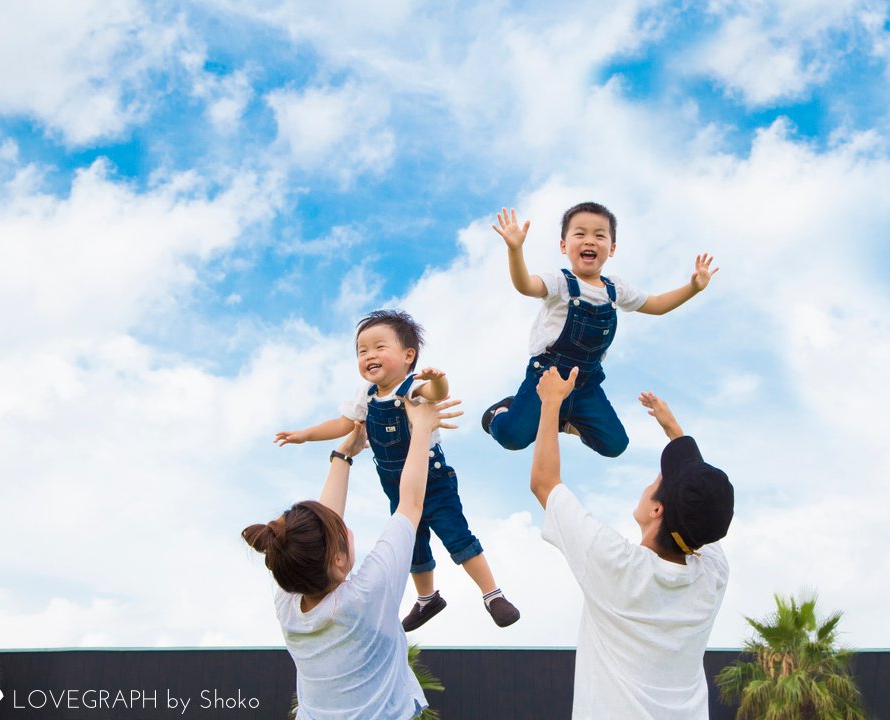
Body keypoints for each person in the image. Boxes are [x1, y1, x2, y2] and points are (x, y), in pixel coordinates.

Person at [274, 310, 520, 630]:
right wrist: (304, 435)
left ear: (408, 356)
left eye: (379, 347)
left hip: (432, 481)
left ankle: (492, 594)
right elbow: (343, 423)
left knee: (456, 536)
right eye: (362, 351)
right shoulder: (366, 396)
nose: (369, 355)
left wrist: (437, 379)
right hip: (396, 485)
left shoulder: (411, 386)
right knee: (410, 545)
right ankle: (427, 599)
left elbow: (437, 394)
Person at [530, 365, 733, 719]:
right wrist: (675, 434)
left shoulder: (618, 565)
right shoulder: (710, 576)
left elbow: (545, 483)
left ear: (657, 508)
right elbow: (704, 507)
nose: (653, 478)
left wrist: (551, 402)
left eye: (658, 478)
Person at [244, 397, 460, 720]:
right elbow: (412, 504)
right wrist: (422, 430)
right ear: (338, 561)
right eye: (342, 530)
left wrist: (343, 454)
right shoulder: (366, 595)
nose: (345, 526)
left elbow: (317, 535)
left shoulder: (288, 600)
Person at [483, 203, 718, 457]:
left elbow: (658, 305)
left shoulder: (615, 289)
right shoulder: (560, 281)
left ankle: (563, 420)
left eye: (599, 235)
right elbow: (526, 285)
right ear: (564, 245)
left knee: (615, 445)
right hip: (548, 377)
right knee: (512, 437)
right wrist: (515, 249)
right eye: (580, 234)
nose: (590, 241)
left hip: (586, 383)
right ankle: (501, 412)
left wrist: (693, 288)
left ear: (612, 248)